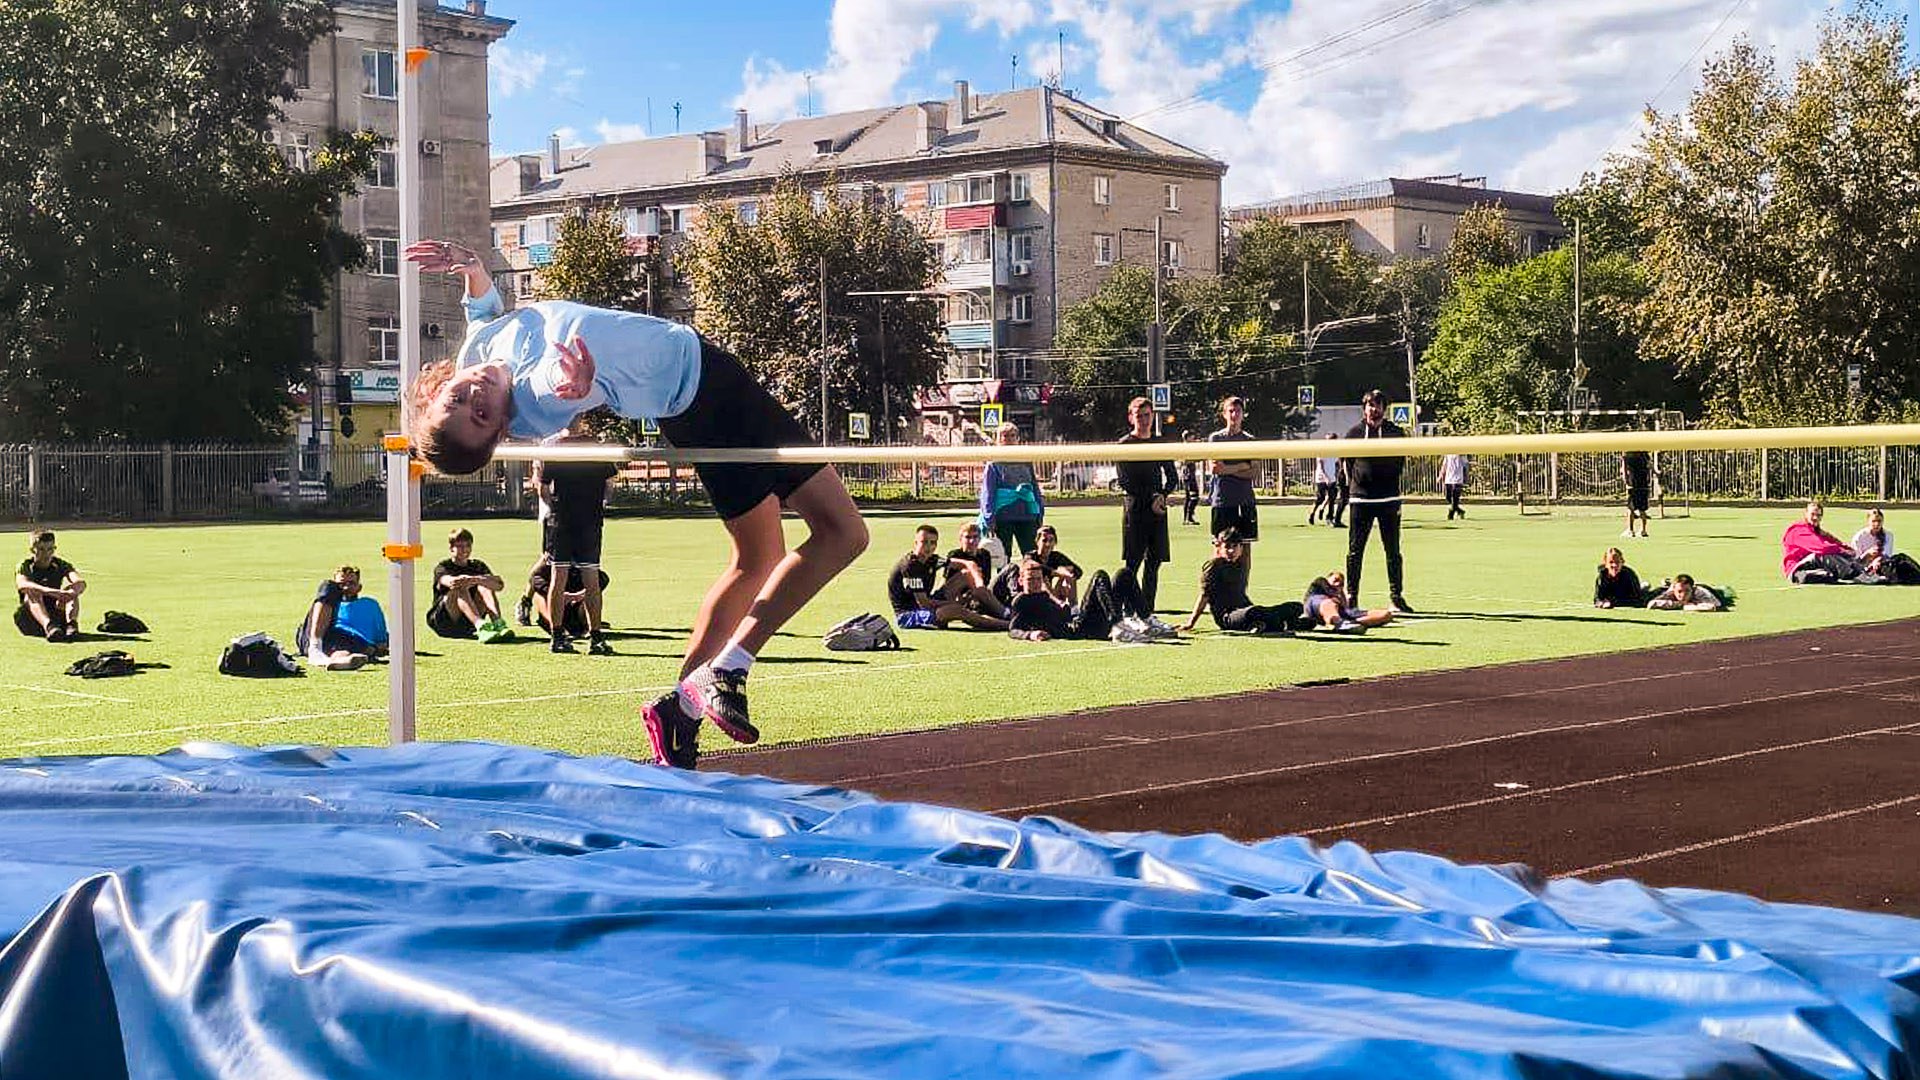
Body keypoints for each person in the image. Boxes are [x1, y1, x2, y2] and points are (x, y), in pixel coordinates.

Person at [404, 238, 869, 770]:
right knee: (822, 539)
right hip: (705, 390)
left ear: (441, 387)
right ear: (501, 430)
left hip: (701, 383)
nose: (475, 397)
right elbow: (562, 388)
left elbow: (486, 311)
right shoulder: (533, 401)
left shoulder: (476, 355)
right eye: (479, 415)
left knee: (790, 548)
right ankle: (727, 670)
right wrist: (576, 385)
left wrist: (470, 267)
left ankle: (684, 710)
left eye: (460, 398)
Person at [539, 445, 619, 655]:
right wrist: (599, 503)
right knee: (575, 579)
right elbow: (610, 485)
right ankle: (585, 637)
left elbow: (543, 488)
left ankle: (576, 637)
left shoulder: (560, 453)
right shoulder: (596, 452)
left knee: (569, 579)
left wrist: (556, 509)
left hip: (569, 523)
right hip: (583, 524)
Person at [1343, 389, 1413, 613]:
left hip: (1389, 498)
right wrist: (1352, 486)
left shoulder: (1395, 432)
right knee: (1355, 550)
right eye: (1370, 405)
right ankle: (1351, 596)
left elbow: (1401, 462)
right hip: (1361, 499)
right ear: (1364, 408)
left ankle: (1396, 596)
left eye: (1377, 405)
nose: (1373, 409)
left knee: (1393, 550)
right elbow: (1347, 463)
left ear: (1384, 408)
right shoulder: (1354, 433)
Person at [1115, 397, 1179, 614]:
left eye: (1146, 415)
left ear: (1152, 416)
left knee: (1154, 563)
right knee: (1132, 563)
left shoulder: (1159, 443)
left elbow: (1172, 477)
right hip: (1136, 509)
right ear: (1130, 417)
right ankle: (1126, 608)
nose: (1143, 420)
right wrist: (1152, 497)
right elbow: (1125, 481)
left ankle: (1147, 610)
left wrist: (1162, 495)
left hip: (1157, 511)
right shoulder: (1124, 444)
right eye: (1138, 415)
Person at [888, 525, 1008, 631]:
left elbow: (968, 564)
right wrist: (955, 603)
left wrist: (979, 586)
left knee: (965, 574)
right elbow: (924, 603)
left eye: (933, 543)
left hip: (928, 604)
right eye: (924, 542)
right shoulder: (911, 566)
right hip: (910, 615)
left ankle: (1007, 614)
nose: (929, 547)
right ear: (915, 543)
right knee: (956, 610)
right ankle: (1007, 625)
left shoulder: (932, 559)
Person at [1181, 529, 1301, 635]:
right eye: (1227, 546)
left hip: (1246, 608)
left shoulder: (1240, 565)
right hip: (1228, 616)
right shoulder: (1213, 566)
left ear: (1241, 548)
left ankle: (1273, 624)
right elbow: (1204, 595)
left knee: (1296, 606)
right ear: (1219, 547)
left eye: (1235, 546)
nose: (1231, 550)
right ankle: (1283, 623)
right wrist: (1190, 623)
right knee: (1254, 611)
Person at [1005, 558, 1126, 643]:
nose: (1035, 583)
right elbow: (1013, 630)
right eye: (1030, 579)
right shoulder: (1022, 600)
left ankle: (1144, 619)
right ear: (1020, 581)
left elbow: (1064, 615)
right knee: (1100, 576)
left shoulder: (1043, 595)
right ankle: (1118, 625)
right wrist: (1030, 635)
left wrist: (1065, 605)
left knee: (1123, 575)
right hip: (1078, 630)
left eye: (1038, 579)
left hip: (1084, 624)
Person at [428, 528, 512, 643]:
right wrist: (464, 580)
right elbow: (449, 581)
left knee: (484, 585)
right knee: (460, 587)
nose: (465, 549)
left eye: (468, 545)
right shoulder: (444, 566)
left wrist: (477, 579)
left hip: (468, 623)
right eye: (460, 546)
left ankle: (498, 623)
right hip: (446, 622)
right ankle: (481, 626)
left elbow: (499, 585)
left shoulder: (478, 566)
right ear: (451, 548)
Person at [295, 565, 387, 670]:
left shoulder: (370, 604)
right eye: (341, 584)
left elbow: (381, 640)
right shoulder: (325, 605)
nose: (346, 588)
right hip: (316, 635)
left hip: (350, 642)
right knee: (327, 586)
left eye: (351, 583)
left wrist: (374, 649)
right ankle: (315, 648)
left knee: (344, 650)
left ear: (359, 587)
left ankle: (340, 662)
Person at [1206, 397, 1260, 571]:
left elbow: (1254, 471)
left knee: (1244, 548)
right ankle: (1215, 590)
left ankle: (1241, 592)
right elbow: (1215, 468)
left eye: (1238, 411)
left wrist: (1228, 467)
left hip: (1245, 501)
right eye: (1230, 411)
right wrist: (1241, 466)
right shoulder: (1216, 438)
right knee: (1219, 547)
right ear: (1224, 414)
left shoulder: (1250, 440)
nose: (1234, 415)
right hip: (1222, 500)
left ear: (1243, 414)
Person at [979, 424, 1045, 560]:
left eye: (1012, 436)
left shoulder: (1025, 461)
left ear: (1018, 438)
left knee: (1033, 556)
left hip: (1027, 516)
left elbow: (1034, 487)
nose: (1008, 439)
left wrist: (1040, 511)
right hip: (1002, 518)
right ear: (997, 439)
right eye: (1004, 436)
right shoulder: (993, 464)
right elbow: (988, 493)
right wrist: (989, 519)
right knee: (1003, 559)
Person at [1781, 501, 1877, 584]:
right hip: (1796, 568)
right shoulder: (1798, 530)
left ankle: (1864, 572)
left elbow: (1834, 543)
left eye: (1818, 515)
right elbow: (1822, 548)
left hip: (1810, 566)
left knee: (1830, 574)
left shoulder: (1816, 531)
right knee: (1823, 555)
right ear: (1806, 514)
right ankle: (1855, 574)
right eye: (1812, 514)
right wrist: (1843, 551)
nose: (1815, 518)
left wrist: (1846, 550)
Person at [14, 530, 85, 642]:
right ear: (33, 550)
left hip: (56, 614)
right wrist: (51, 592)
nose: (47, 554)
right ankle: (49, 627)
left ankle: (71, 626)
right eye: (41, 549)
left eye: (50, 549)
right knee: (32, 593)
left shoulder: (60, 564)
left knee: (71, 592)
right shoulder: (25, 565)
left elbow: (80, 583)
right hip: (31, 619)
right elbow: (23, 585)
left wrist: (70, 592)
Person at [527, 553, 612, 638]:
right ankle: (556, 630)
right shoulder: (551, 562)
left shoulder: (583, 563)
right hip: (555, 606)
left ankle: (591, 626)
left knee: (592, 592)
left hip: (577, 606)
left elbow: (602, 578)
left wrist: (579, 595)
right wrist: (556, 594)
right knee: (540, 597)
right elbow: (535, 579)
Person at [1303, 570, 1393, 631]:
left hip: (1342, 613)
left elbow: (1345, 607)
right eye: (1336, 580)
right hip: (1317, 605)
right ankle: (1336, 622)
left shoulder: (1338, 597)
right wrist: (1338, 592)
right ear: (1327, 579)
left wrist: (1340, 593)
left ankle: (1348, 624)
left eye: (1341, 584)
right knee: (1330, 603)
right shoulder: (1319, 586)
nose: (1338, 584)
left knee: (1386, 614)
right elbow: (1322, 584)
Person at [1851, 508, 1920, 584]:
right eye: (1873, 521)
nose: (1877, 524)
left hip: (1883, 564)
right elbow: (1856, 561)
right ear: (1868, 521)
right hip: (1866, 568)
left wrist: (1877, 560)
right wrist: (1867, 554)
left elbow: (1887, 554)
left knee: (1901, 558)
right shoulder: (1859, 537)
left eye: (1879, 521)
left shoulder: (1888, 535)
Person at [1032, 524, 1083, 605]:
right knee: (1044, 580)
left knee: (1069, 574)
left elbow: (1078, 571)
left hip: (1053, 593)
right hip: (1034, 595)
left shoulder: (1056, 556)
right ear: (1037, 541)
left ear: (1055, 542)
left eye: (1051, 540)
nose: (1048, 544)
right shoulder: (1031, 556)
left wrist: (1064, 575)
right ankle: (1055, 604)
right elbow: (1037, 568)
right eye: (1044, 540)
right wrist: (1057, 573)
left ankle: (1074, 609)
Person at [1645, 573, 1725, 611]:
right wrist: (1679, 604)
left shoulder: (1701, 593)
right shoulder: (1671, 591)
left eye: (1687, 591)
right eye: (1679, 591)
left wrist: (1689, 607)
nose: (1683, 595)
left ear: (1692, 589)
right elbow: (1652, 604)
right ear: (1674, 588)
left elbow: (1714, 606)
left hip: (1709, 590)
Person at [1309, 438, 1341, 525]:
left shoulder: (1335, 452)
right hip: (1321, 478)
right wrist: (1326, 477)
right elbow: (1321, 466)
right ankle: (1312, 513)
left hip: (1332, 478)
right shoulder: (1322, 451)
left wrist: (1336, 475)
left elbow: (1337, 464)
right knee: (1320, 498)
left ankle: (1329, 518)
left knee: (1332, 498)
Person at [1622, 450, 1653, 538]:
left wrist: (1626, 481)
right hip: (1644, 485)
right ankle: (1643, 530)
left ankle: (1630, 530)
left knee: (1630, 508)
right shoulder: (1645, 455)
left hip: (1633, 484)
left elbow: (1624, 470)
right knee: (1642, 509)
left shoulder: (1628, 455)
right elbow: (1650, 466)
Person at [1178, 436, 1201, 526]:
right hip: (1188, 475)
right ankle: (1188, 518)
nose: (1194, 439)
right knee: (1194, 496)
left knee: (1189, 497)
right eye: (1192, 437)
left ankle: (1187, 518)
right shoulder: (1185, 448)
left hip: (1189, 474)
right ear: (1187, 438)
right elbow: (1185, 461)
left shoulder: (1189, 447)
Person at [1440, 453, 1468, 520]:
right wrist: (1441, 475)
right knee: (1448, 497)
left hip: (1458, 478)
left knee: (1455, 498)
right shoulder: (1447, 454)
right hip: (1449, 478)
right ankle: (1460, 511)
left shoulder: (1462, 454)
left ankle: (1451, 514)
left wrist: (1466, 476)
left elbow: (1466, 465)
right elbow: (1444, 465)